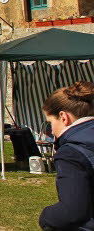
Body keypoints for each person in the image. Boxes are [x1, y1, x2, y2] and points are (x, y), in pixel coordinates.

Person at [38, 81, 94, 230]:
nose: (52, 129)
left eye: (50, 122)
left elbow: (73, 212)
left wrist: (46, 217)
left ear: (63, 117)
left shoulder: (71, 153)